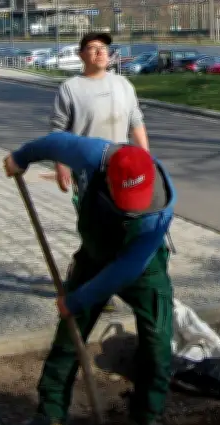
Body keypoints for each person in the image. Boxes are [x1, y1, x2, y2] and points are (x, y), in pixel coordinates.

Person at [2, 131, 176, 425]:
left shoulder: (159, 210)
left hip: (143, 266)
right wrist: (20, 157)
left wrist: (78, 299)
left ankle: (146, 420)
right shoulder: (90, 154)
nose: (132, 209)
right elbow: (51, 143)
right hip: (94, 255)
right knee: (69, 334)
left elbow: (125, 270)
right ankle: (50, 414)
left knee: (158, 342)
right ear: (109, 178)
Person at [51, 31, 150, 312]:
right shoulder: (71, 88)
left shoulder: (123, 85)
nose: (100, 52)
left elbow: (136, 122)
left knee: (122, 230)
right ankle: (86, 284)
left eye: (104, 48)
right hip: (88, 174)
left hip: (122, 172)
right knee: (95, 233)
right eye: (92, 48)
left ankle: (105, 284)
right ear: (81, 55)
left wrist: (146, 160)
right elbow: (59, 131)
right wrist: (61, 166)